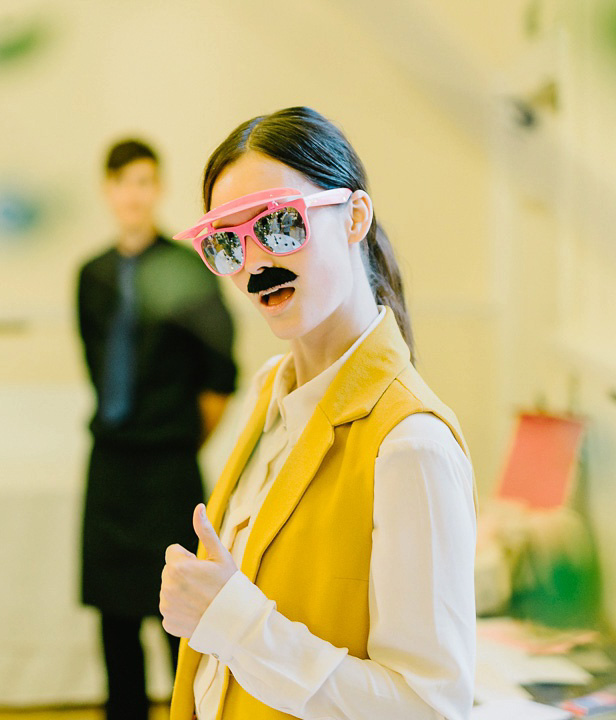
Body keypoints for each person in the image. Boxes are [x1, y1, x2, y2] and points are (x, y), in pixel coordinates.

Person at [159, 107, 477, 720]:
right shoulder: (268, 396)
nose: (255, 264)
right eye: (227, 242)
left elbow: (430, 710)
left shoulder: (410, 445)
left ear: (355, 216)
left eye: (279, 224)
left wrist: (231, 622)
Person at [77, 139, 238, 720]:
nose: (134, 194)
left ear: (159, 188)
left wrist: (181, 438)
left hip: (169, 463)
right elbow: (96, 367)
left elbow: (221, 375)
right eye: (123, 181)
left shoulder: (186, 270)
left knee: (182, 622)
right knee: (114, 621)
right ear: (108, 190)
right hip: (110, 461)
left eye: (145, 181)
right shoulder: (90, 276)